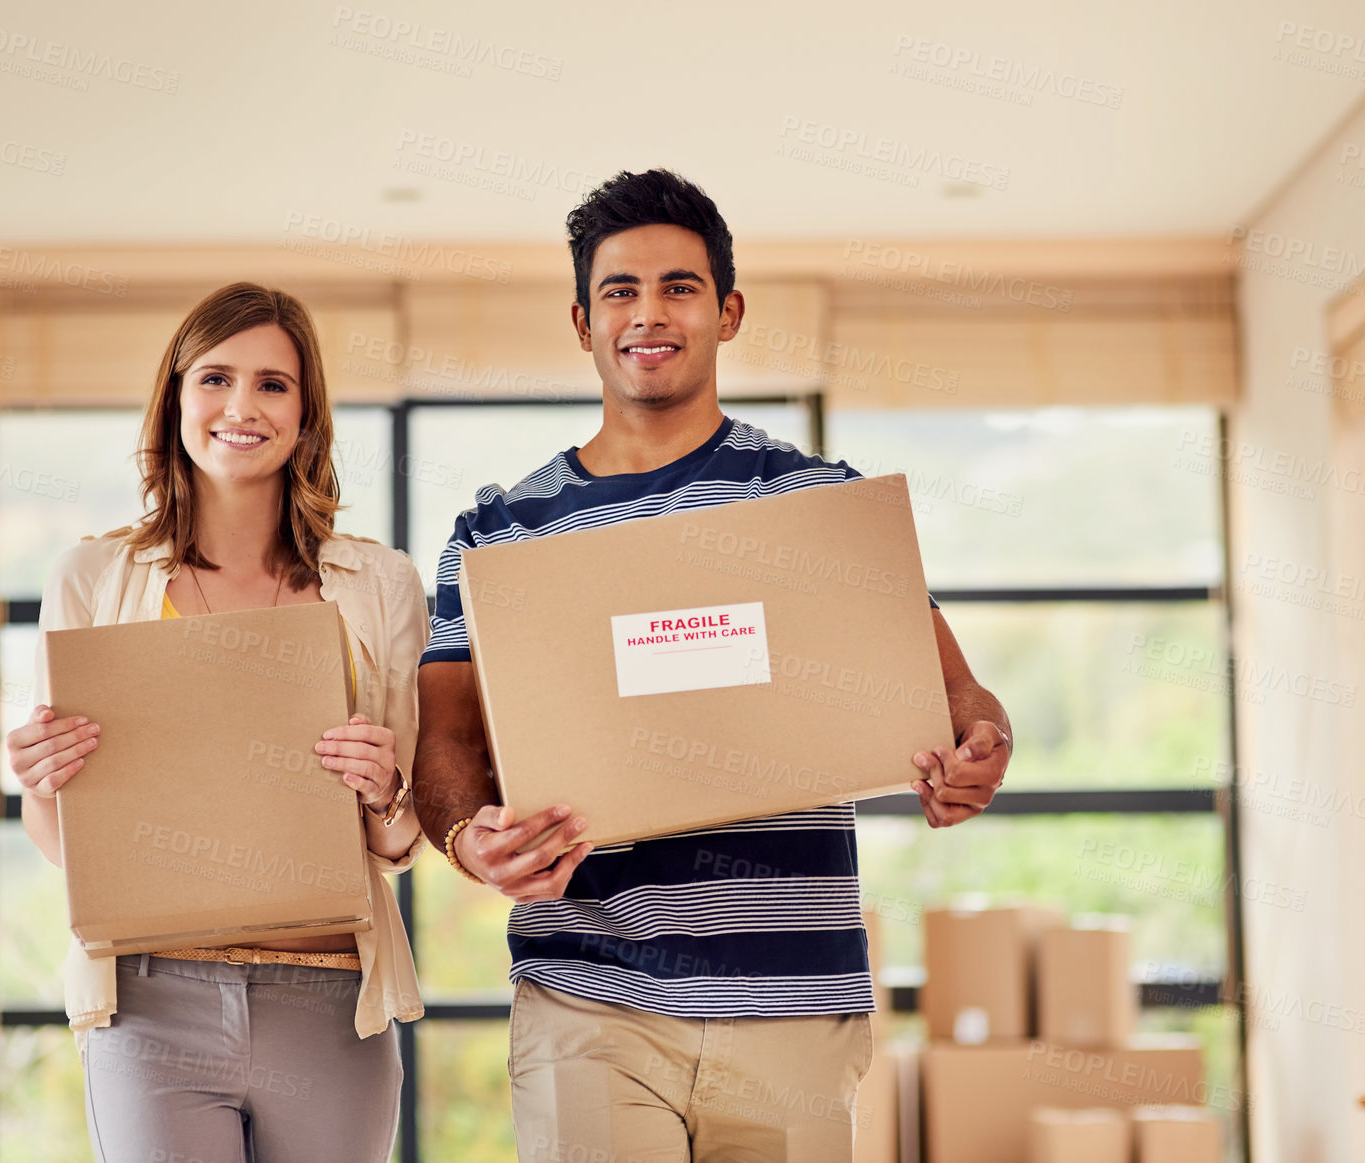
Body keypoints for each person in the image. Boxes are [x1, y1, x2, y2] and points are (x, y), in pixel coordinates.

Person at [415, 170, 1013, 1161]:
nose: (648, 313)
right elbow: (446, 741)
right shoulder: (497, 532)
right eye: (620, 291)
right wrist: (463, 836)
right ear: (581, 320)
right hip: (588, 995)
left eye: (679, 287)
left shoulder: (819, 504)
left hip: (790, 1007)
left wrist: (979, 741)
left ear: (727, 311)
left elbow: (953, 689)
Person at [9, 282, 428, 1163]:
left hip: (332, 1003)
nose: (242, 406)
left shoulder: (379, 582)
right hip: (151, 1000)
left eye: (274, 385)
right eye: (216, 378)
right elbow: (64, 842)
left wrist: (386, 787)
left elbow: (399, 837)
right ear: (176, 397)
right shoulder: (94, 575)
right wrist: (42, 778)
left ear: (307, 414)